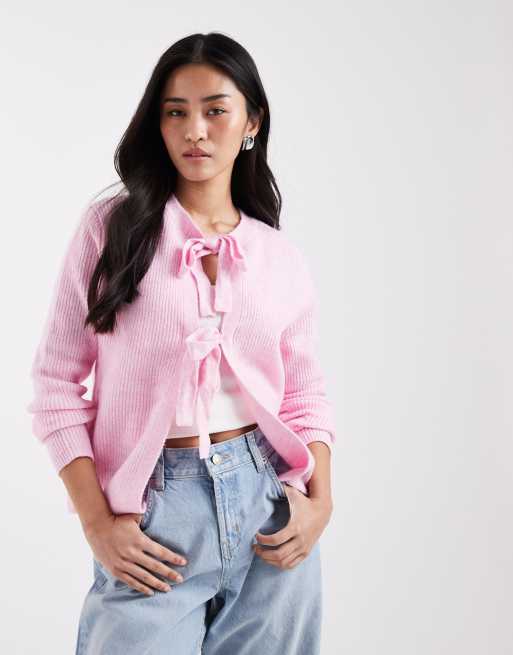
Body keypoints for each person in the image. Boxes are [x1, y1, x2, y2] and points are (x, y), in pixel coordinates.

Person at [27, 31, 337, 655]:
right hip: (153, 516)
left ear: (252, 122)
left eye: (215, 110)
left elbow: (305, 394)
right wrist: (96, 522)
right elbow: (55, 385)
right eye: (176, 112)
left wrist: (320, 504)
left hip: (271, 511)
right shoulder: (111, 231)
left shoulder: (277, 255)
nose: (195, 130)